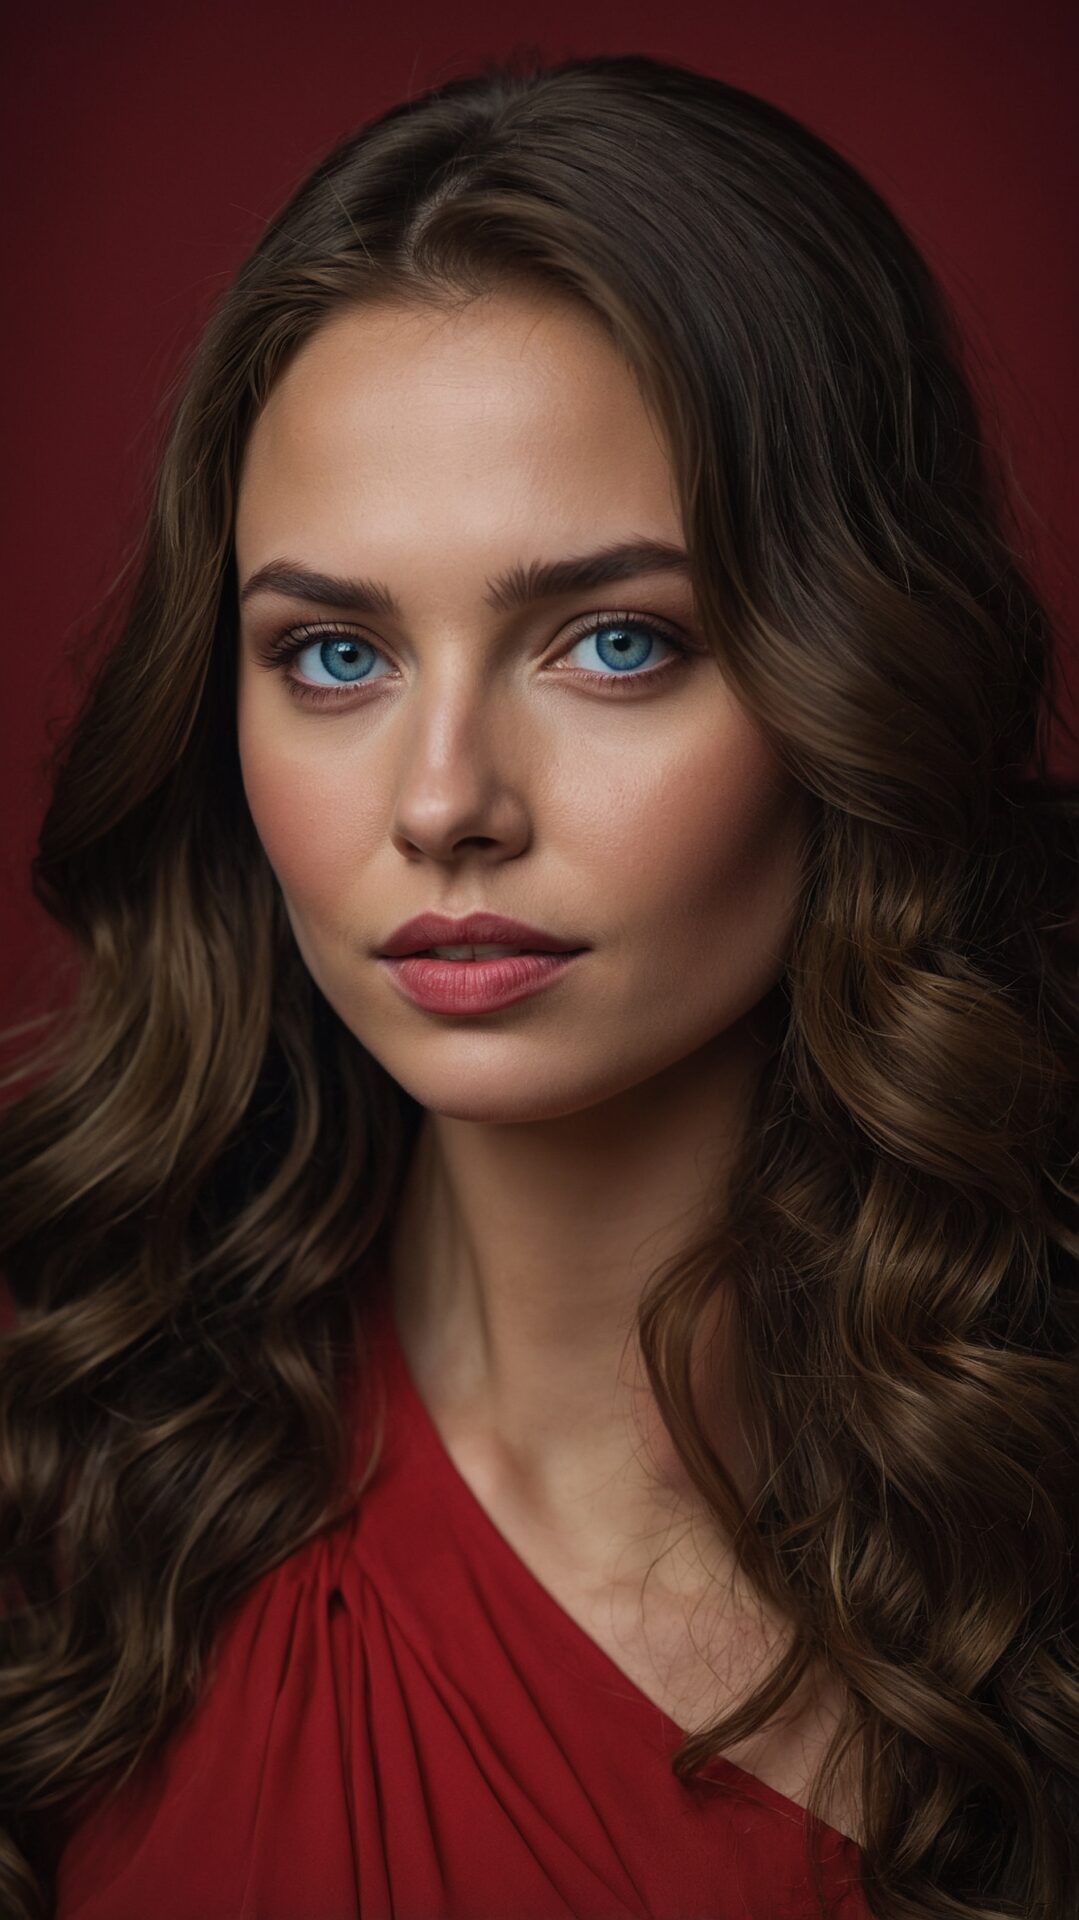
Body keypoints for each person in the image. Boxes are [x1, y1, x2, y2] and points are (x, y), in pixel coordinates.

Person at [1, 47, 1076, 1920]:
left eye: (609, 640)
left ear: (858, 685)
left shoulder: (1030, 1517)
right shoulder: (62, 1447)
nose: (443, 807)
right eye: (335, 655)